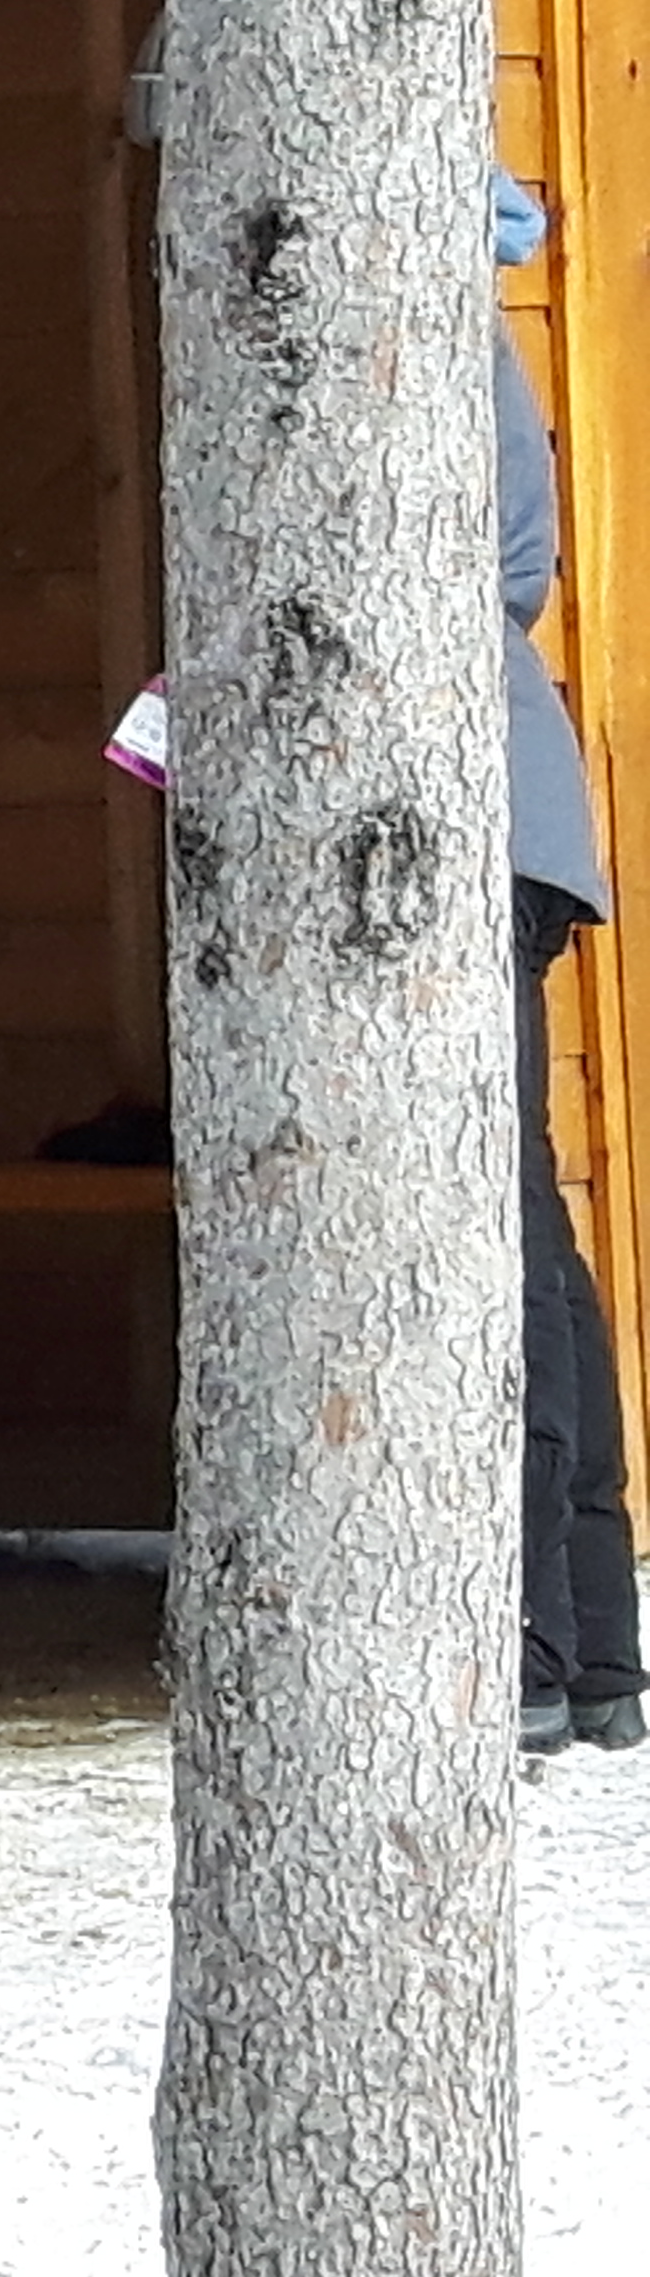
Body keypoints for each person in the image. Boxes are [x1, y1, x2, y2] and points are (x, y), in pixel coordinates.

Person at [494, 172, 642, 1753]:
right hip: (507, 815)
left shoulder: (412, 341)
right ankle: (591, 1646)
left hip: (473, 817)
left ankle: (536, 1640)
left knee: (491, 1227)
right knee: (520, 1211)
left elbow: (489, 581)